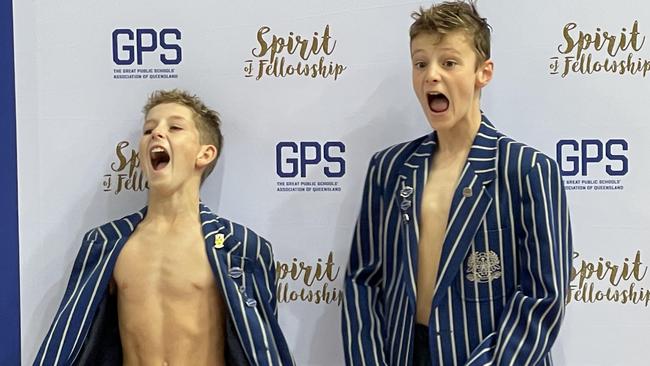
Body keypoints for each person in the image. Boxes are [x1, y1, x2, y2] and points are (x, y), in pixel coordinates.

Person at [341, 2, 572, 365]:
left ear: (484, 72)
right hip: (406, 353)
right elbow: (362, 280)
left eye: (449, 63)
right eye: (420, 63)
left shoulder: (528, 169)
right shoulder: (389, 168)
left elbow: (543, 296)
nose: (431, 75)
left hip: (491, 355)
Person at [35, 89, 294, 366]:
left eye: (175, 127)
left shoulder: (241, 247)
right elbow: (73, 336)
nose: (157, 134)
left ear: (204, 154)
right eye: (148, 130)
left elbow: (262, 347)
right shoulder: (106, 243)